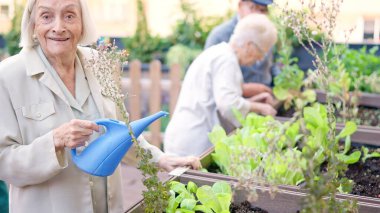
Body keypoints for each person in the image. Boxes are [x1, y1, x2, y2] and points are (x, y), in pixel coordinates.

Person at [0, 0, 200, 212]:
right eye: (46, 16)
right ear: (32, 24)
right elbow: (4, 161)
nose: (58, 27)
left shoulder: (97, 63)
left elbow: (119, 131)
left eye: (69, 16)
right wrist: (55, 141)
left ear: (83, 23)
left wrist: (160, 159)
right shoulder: (8, 76)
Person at [164, 14, 278, 157]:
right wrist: (259, 107)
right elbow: (228, 106)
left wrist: (252, 102)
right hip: (193, 143)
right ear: (249, 46)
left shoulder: (220, 53)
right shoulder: (226, 61)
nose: (260, 59)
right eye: (262, 53)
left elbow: (218, 102)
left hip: (186, 137)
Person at [205, 0, 280, 98]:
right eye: (252, 8)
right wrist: (243, 89)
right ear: (240, 6)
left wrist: (281, 84)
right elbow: (210, 80)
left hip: (267, 97)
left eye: (263, 10)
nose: (258, 15)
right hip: (235, 102)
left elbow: (272, 64)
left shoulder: (265, 33)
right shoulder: (219, 36)